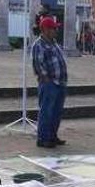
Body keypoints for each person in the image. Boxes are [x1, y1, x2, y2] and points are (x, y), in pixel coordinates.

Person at [31, 16, 68, 148]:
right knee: (46, 111)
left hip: (60, 82)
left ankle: (52, 135)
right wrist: (46, 79)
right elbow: (38, 64)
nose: (55, 31)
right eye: (53, 28)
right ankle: (43, 138)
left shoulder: (54, 43)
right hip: (49, 83)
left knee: (56, 112)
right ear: (45, 29)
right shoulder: (39, 45)